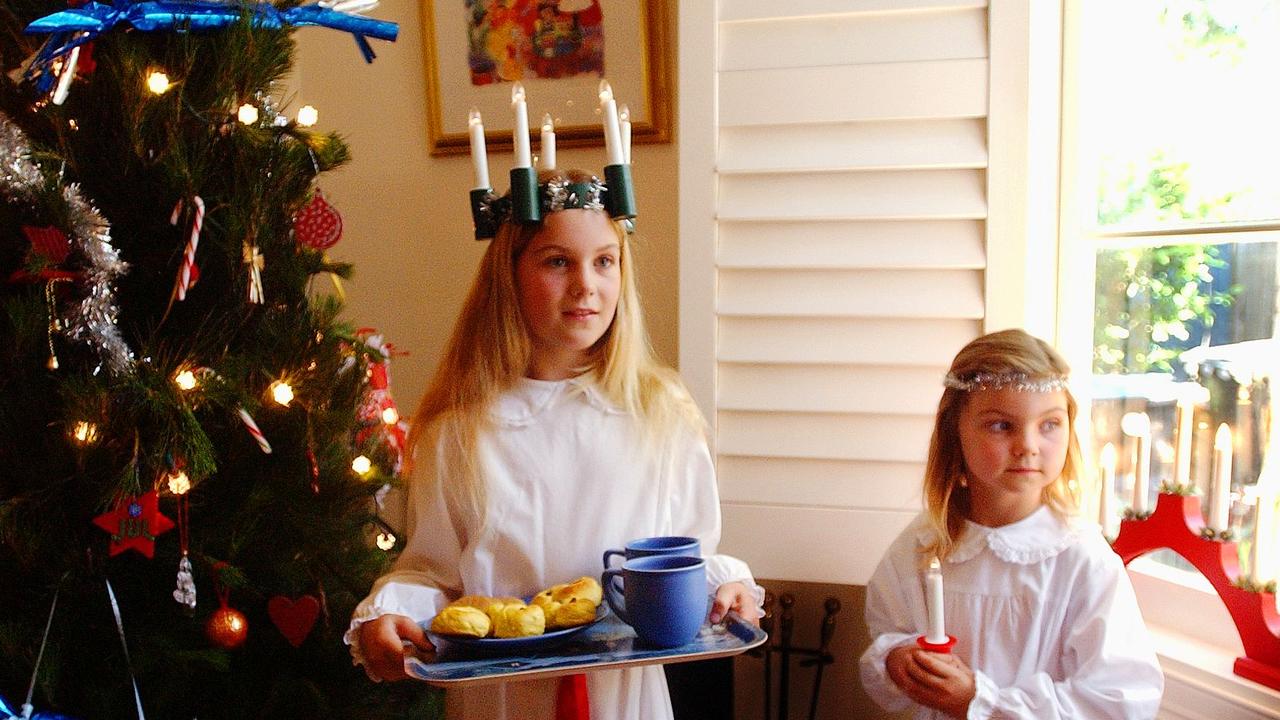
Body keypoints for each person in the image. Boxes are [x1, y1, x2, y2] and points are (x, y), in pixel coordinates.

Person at [344, 168, 762, 720]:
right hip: (502, 702)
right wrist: (390, 614)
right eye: (557, 261)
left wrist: (724, 584)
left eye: (604, 261)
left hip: (625, 700)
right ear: (509, 276)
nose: (586, 284)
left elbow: (687, 557)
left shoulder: (662, 416)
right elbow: (435, 574)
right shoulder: (461, 430)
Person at [859, 329, 1164, 719]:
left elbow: (1119, 699)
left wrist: (980, 702)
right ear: (956, 432)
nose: (1028, 445)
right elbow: (889, 628)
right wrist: (900, 660)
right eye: (1001, 426)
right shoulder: (926, 543)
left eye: (1049, 424)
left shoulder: (1080, 559)